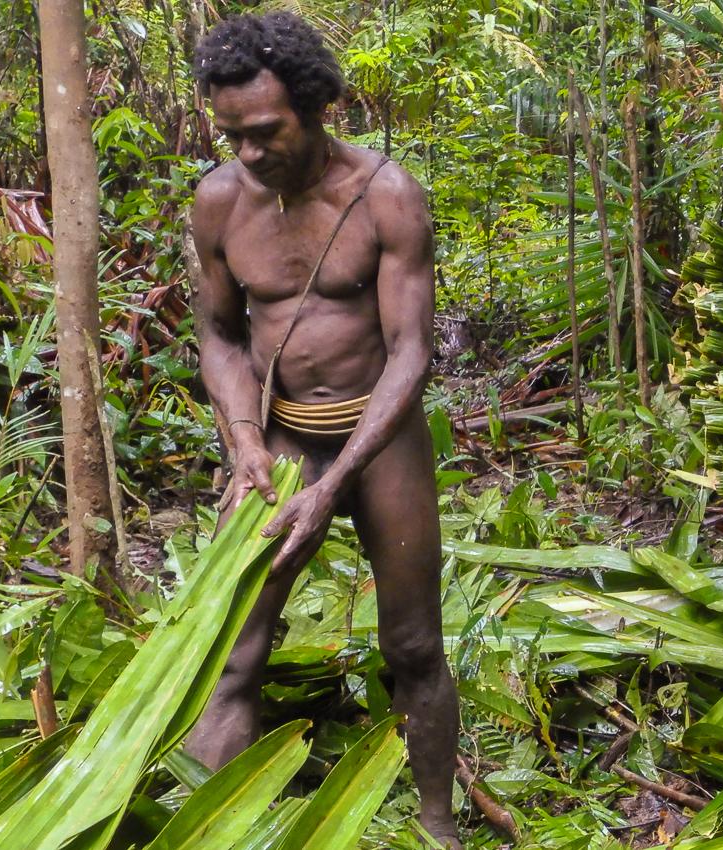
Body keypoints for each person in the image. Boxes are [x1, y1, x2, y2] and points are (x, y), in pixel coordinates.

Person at [184, 12, 460, 847]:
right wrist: (245, 442)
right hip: (281, 441)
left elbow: (412, 353)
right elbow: (221, 335)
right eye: (231, 134)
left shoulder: (387, 196)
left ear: (317, 106)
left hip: (381, 443)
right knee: (235, 652)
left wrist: (335, 485)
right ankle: (198, 822)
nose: (248, 152)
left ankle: (439, 825)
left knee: (413, 644)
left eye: (265, 132)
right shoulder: (221, 202)